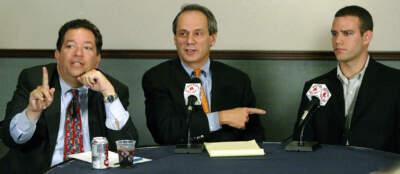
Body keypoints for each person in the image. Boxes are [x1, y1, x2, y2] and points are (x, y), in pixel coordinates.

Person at [0, 19, 138, 174]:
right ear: (57, 54)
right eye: (70, 46)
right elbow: (9, 138)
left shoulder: (112, 88)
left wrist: (108, 94)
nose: (78, 53)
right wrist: (31, 113)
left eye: (87, 47)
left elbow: (127, 147)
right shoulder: (33, 79)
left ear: (98, 59)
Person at [142, 4, 265, 145]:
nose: (189, 41)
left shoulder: (238, 79)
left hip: (229, 163)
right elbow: (164, 133)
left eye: (197, 33)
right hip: (180, 162)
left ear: (212, 39)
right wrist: (219, 118)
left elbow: (254, 135)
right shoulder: (157, 78)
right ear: (175, 39)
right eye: (183, 33)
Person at [294, 5, 400, 153]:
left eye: (347, 33)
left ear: (367, 37)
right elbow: (301, 141)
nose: (338, 41)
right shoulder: (315, 86)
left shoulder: (395, 83)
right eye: (334, 33)